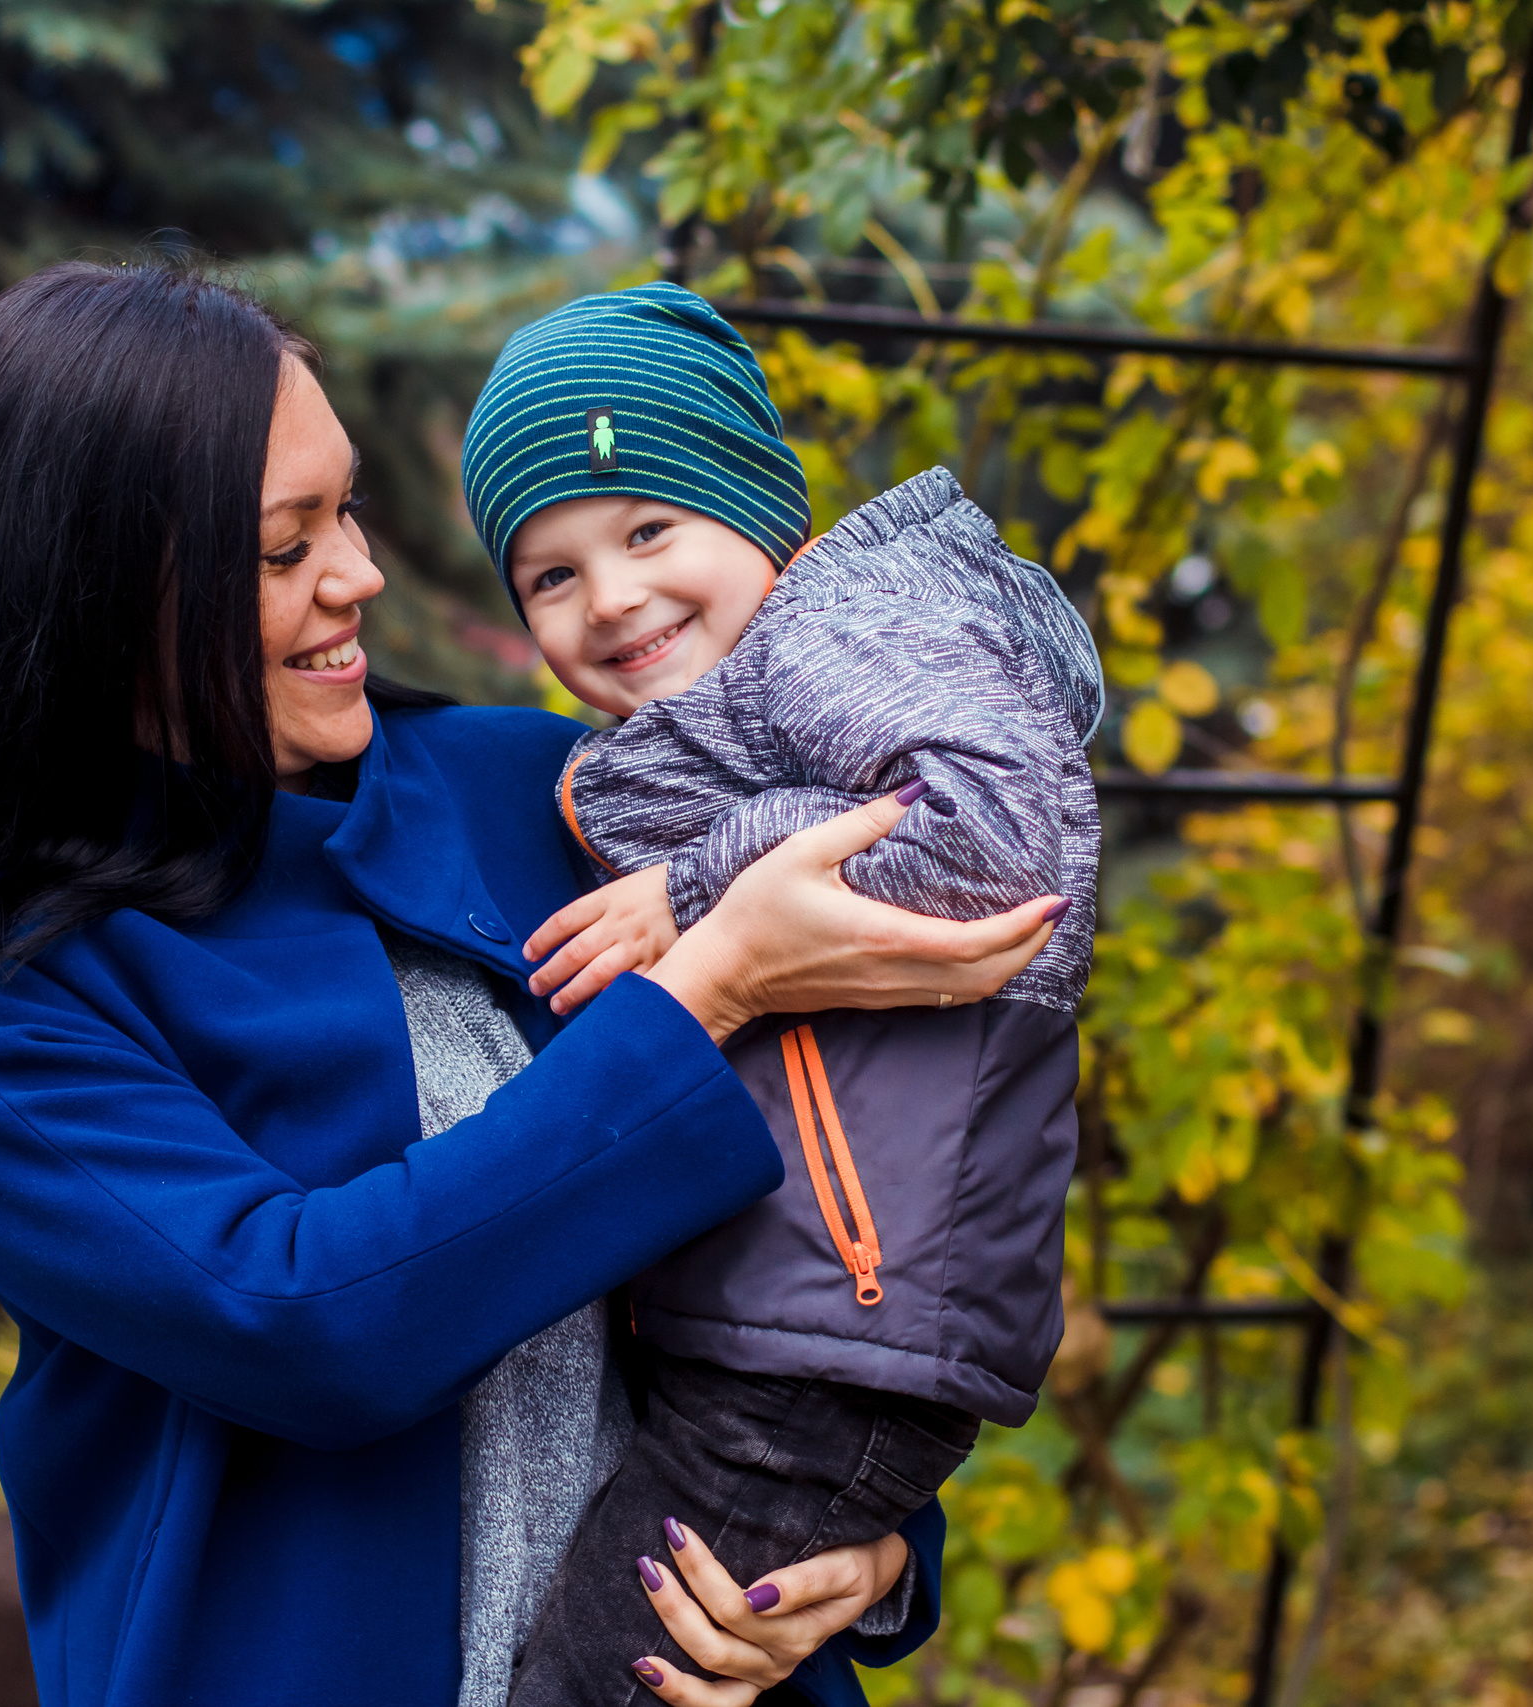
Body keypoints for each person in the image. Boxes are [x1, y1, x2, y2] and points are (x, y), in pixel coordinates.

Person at [0, 260, 1068, 1707]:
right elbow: (300, 1324)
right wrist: (704, 992)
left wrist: (869, 1553)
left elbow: (854, 1160)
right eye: (283, 547)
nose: (359, 575)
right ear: (91, 596)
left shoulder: (553, 794)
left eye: (348, 510)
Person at [456, 283, 1101, 1705]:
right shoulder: (743, 702)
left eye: (648, 530)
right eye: (550, 575)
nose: (610, 597)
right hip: (804, 1341)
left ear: (759, 509)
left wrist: (702, 893)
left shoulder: (841, 633)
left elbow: (1010, 838)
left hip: (829, 1359)